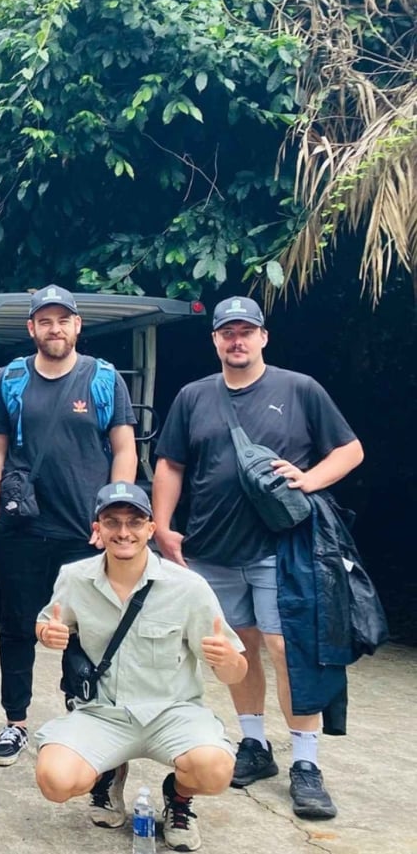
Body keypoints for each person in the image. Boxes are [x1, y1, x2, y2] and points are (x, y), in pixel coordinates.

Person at [151, 296, 362, 819]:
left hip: (283, 549)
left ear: (263, 337)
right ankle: (255, 746)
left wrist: (310, 480)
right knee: (236, 649)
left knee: (286, 649)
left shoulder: (299, 389)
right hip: (211, 548)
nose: (237, 340)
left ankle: (307, 764)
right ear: (216, 340)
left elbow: (350, 450)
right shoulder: (195, 397)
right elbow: (171, 465)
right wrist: (162, 527)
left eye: (247, 331)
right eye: (228, 333)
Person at [35, 482, 248, 853]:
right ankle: (108, 772)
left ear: (151, 528)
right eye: (112, 522)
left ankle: (179, 797)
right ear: (96, 529)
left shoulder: (189, 587)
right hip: (103, 714)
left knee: (215, 771)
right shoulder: (74, 578)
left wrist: (228, 661)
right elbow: (48, 622)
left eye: (135, 522)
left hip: (171, 712)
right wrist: (47, 635)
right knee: (54, 780)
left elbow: (235, 673)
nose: (123, 532)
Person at [0, 285, 136, 767]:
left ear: (77, 325)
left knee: (87, 629)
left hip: (83, 531)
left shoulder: (104, 379)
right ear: (31, 328)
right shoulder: (10, 380)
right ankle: (16, 721)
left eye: (62, 320)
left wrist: (111, 517)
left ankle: (82, 714)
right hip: (22, 527)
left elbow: (125, 449)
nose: (54, 328)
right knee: (18, 626)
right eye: (44, 321)